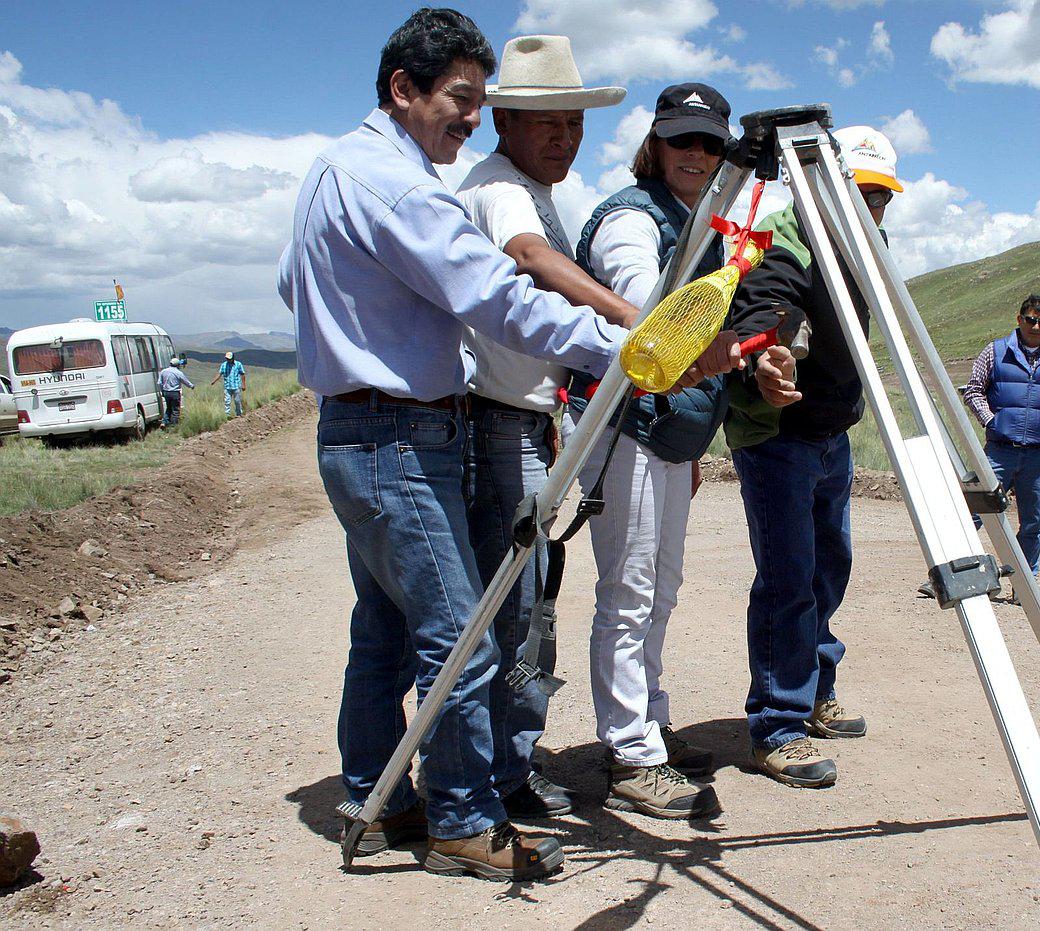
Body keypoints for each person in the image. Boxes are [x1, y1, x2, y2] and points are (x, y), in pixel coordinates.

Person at [276, 8, 737, 882]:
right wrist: (636, 347)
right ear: (402, 90)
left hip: (362, 423)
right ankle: (461, 816)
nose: (469, 116)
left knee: (385, 628)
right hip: (402, 432)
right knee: (465, 630)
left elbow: (292, 284)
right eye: (459, 98)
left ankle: (378, 795)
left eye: (480, 100)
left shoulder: (336, 171)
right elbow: (502, 297)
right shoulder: (402, 188)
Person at [453, 33, 632, 823]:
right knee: (518, 602)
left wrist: (550, 410)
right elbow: (529, 259)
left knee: (527, 595)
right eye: (547, 124)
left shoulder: (529, 186)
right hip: (496, 425)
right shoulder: (503, 192)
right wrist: (632, 317)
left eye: (574, 125)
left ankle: (504, 762)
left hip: (521, 417)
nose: (564, 139)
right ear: (506, 124)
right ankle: (501, 774)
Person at [571, 83, 758, 818]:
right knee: (630, 591)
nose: (697, 155)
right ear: (655, 144)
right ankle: (629, 751)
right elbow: (645, 308)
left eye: (711, 144)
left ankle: (649, 721)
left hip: (668, 440)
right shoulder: (630, 219)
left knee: (662, 587)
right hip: (628, 431)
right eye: (683, 140)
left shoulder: (696, 225)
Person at [723, 126, 903, 788]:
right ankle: (777, 723)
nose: (871, 208)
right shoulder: (780, 239)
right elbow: (763, 309)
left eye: (882, 198)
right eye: (861, 193)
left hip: (831, 426)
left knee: (830, 565)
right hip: (776, 431)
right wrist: (768, 357)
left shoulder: (865, 241)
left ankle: (816, 686)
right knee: (789, 577)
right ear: (820, 184)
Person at [960, 293, 1040, 579]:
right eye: (1031, 320)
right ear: (1019, 319)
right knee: (973, 514)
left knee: (1032, 523)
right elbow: (974, 389)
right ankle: (949, 576)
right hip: (999, 451)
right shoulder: (995, 351)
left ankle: (1024, 585)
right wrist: (991, 421)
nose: (1036, 327)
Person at [157, 357, 194, 426]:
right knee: (175, 410)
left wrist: (162, 391)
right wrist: (191, 386)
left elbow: (159, 383)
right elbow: (185, 381)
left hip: (166, 392)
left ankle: (164, 422)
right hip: (175, 393)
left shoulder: (163, 371)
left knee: (169, 408)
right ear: (177, 365)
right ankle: (174, 425)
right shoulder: (178, 372)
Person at [209, 352, 246, 417]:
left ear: (233, 358)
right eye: (227, 359)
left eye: (229, 359)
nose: (228, 360)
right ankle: (227, 415)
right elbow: (220, 373)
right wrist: (214, 381)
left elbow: (242, 374)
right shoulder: (224, 365)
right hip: (227, 387)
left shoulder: (238, 364)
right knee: (227, 401)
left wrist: (243, 385)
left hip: (236, 386)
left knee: (237, 401)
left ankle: (239, 414)